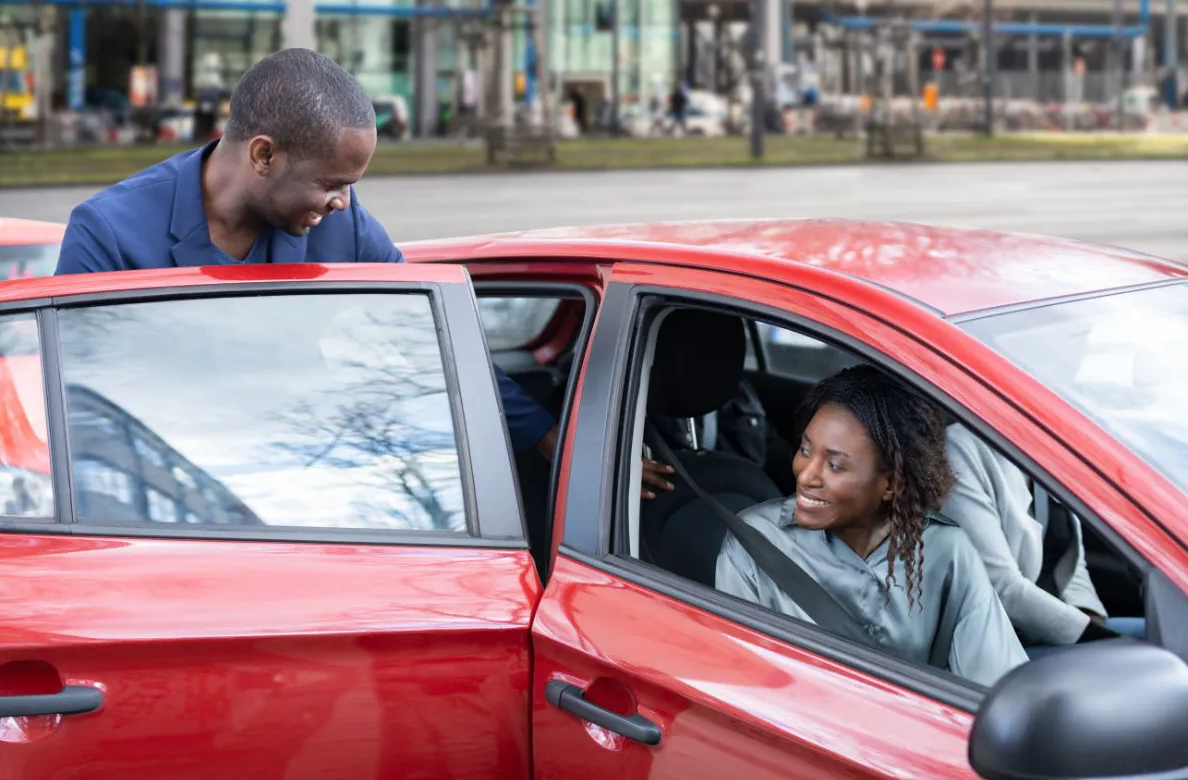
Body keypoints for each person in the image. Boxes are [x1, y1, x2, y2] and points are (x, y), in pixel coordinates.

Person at [55, 48, 676, 492]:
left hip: (308, 490)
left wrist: (551, 439)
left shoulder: (343, 225)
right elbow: (77, 417)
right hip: (163, 503)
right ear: (264, 155)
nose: (345, 204)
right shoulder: (108, 235)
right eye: (332, 184)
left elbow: (432, 338)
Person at [715, 365, 1028, 687]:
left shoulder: (947, 551)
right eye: (806, 451)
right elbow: (743, 682)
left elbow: (994, 683)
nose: (806, 475)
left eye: (835, 466)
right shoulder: (754, 540)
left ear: (892, 484)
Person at [940, 423, 1144, 651]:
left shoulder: (1042, 441)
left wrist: (1089, 614)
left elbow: (1070, 554)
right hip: (1000, 648)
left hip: (1056, 631)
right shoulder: (960, 450)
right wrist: (1092, 637)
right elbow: (1000, 588)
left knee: (1164, 644)